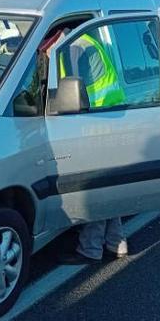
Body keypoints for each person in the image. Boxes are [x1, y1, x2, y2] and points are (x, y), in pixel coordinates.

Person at [38, 28, 129, 264]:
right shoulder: (82, 39)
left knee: (95, 187)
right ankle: (116, 242)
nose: (44, 55)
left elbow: (72, 91)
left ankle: (91, 248)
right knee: (108, 185)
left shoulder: (71, 48)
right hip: (111, 113)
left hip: (98, 119)